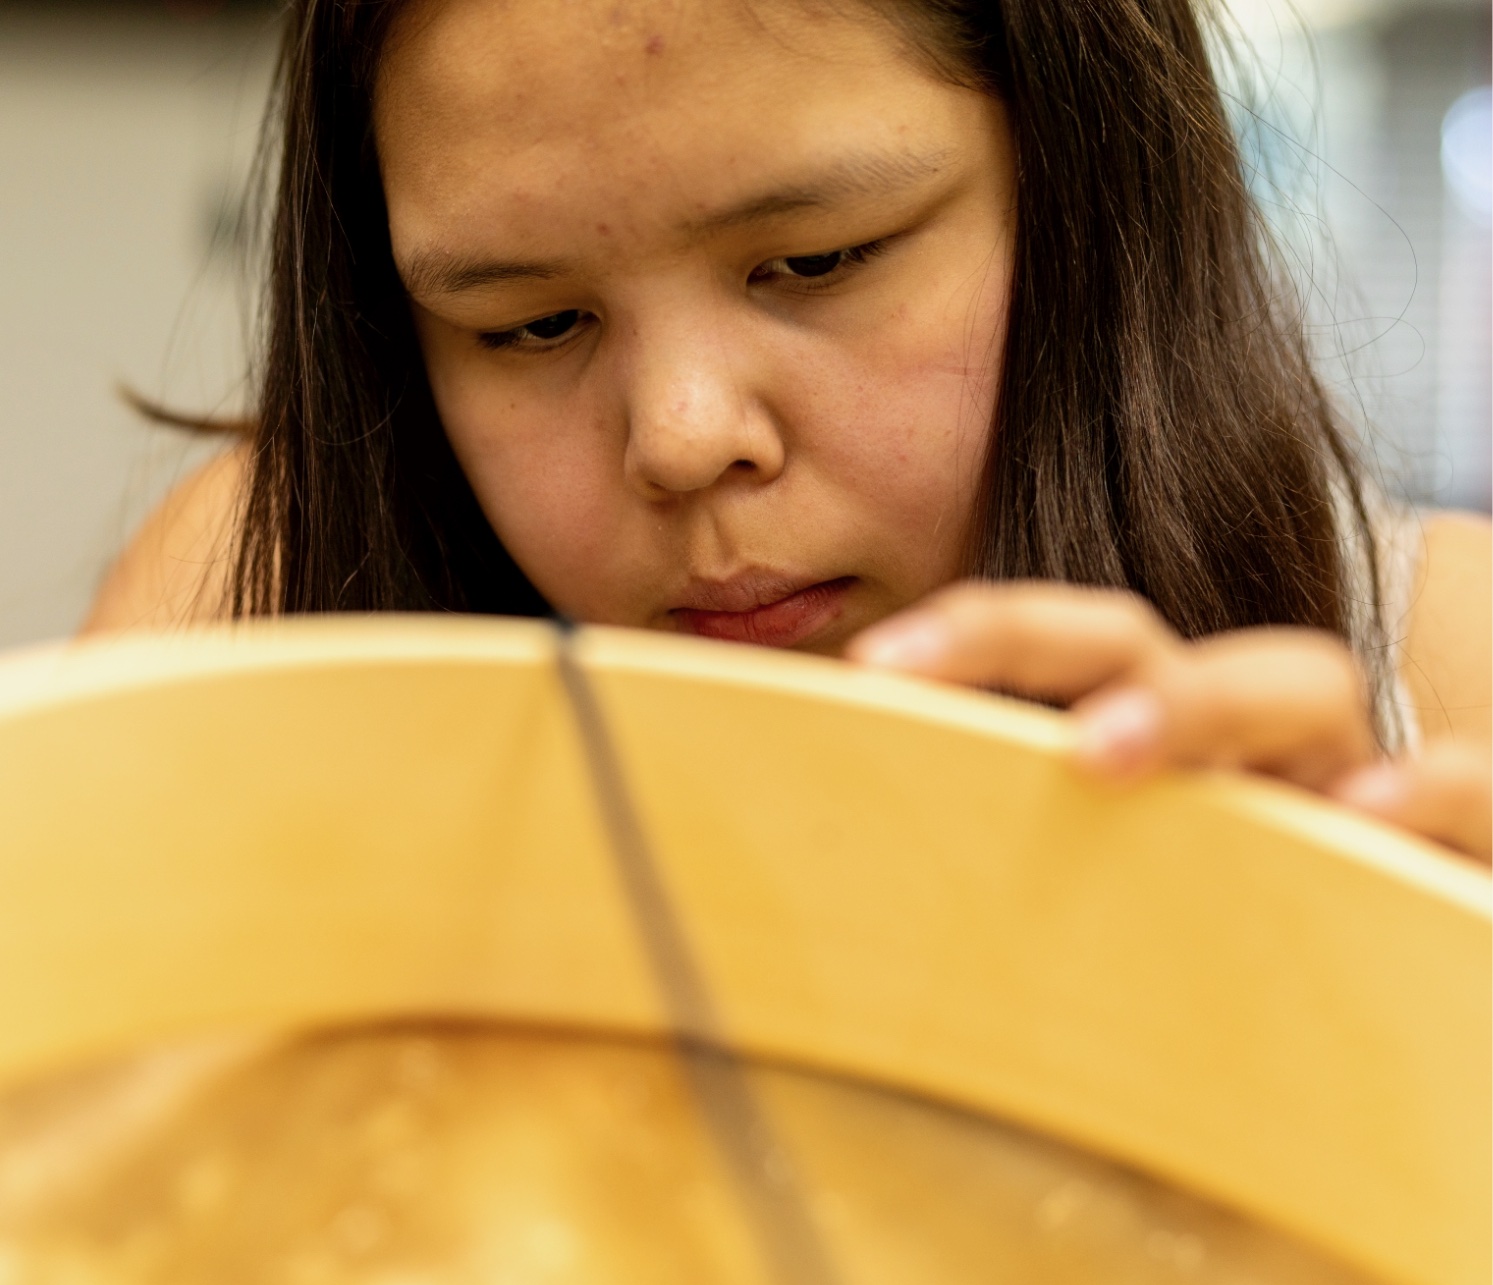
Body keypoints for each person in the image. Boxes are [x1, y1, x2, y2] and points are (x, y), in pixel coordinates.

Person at [85, 0, 1490, 861]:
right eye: (526, 326)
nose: (685, 439)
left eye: (817, 261)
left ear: (1092, 195)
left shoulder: (1445, 691)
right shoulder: (259, 605)